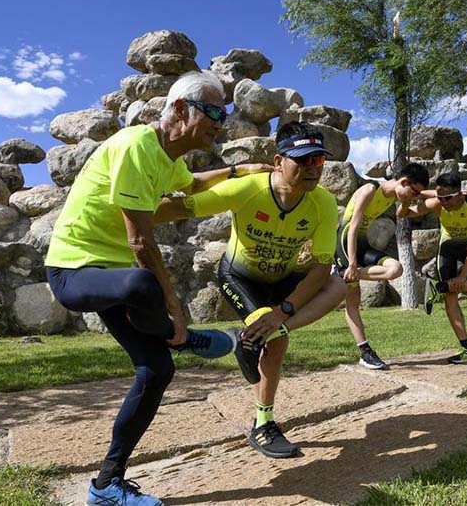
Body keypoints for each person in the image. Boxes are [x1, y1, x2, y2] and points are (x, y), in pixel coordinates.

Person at [44, 70, 272, 506]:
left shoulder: (169, 160)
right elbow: (141, 242)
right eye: (213, 112)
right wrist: (177, 311)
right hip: (74, 271)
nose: (220, 123)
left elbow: (191, 186)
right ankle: (178, 337)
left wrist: (239, 170)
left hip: (116, 277)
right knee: (143, 280)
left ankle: (106, 485)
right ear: (181, 110)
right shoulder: (135, 146)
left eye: (224, 114)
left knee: (157, 371)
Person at [156, 121, 346, 459]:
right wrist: (119, 213)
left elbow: (320, 268)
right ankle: (263, 423)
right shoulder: (248, 189)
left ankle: (252, 337)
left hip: (282, 281)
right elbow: (179, 208)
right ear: (277, 162)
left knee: (337, 286)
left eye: (318, 161)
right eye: (301, 160)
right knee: (276, 339)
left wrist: (283, 312)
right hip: (241, 279)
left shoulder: (324, 203)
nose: (312, 169)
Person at [334, 163, 430, 370]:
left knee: (396, 269)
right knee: (353, 302)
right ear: (404, 182)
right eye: (413, 193)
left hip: (363, 243)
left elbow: (418, 199)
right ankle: (365, 352)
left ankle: (342, 274)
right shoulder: (370, 189)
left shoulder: (393, 194)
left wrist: (453, 193)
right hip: (345, 242)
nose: (413, 198)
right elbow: (352, 228)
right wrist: (351, 263)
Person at [407, 172, 467, 364]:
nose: (444, 202)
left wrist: (463, 276)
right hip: (448, 249)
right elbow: (413, 205)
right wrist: (420, 195)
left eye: (448, 197)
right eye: (440, 197)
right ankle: (466, 350)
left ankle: (438, 287)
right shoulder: (438, 202)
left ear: (460, 194)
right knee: (451, 299)